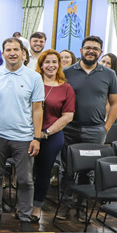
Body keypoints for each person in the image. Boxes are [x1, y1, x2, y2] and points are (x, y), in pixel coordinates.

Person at [57, 36, 117, 221]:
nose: (91, 51)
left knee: (89, 171)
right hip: (70, 129)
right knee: (66, 169)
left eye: (95, 48)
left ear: (100, 52)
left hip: (95, 130)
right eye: (88, 48)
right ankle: (65, 204)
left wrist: (106, 127)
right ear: (81, 50)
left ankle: (82, 205)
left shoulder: (109, 74)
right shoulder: (67, 72)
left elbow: (115, 103)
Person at [0, 38, 44, 232]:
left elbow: (37, 109)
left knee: (25, 179)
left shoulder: (33, 77)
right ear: (2, 54)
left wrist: (36, 137)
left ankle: (25, 217)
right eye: (8, 49)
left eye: (15, 50)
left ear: (23, 53)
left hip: (24, 136)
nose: (12, 53)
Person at [31, 50, 75, 223]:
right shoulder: (33, 83)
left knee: (43, 172)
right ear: (41, 65)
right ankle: (22, 204)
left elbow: (68, 116)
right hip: (28, 134)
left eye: (54, 62)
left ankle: (36, 207)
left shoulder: (66, 88)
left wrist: (46, 133)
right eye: (47, 62)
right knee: (26, 172)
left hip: (52, 136)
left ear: (59, 65)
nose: (51, 65)